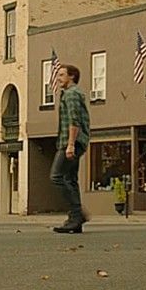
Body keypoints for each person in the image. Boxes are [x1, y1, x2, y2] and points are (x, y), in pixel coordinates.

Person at [52, 63, 92, 234]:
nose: (58, 78)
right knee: (70, 179)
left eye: (61, 75)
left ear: (72, 77)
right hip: (75, 141)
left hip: (71, 142)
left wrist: (70, 144)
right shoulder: (70, 94)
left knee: (56, 176)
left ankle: (77, 214)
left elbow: (74, 120)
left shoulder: (71, 94)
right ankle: (74, 221)